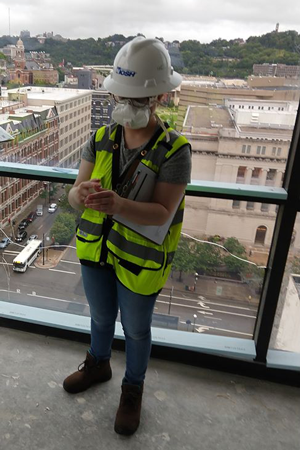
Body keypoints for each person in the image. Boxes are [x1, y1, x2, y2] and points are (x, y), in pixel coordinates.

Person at [63, 36, 192, 436]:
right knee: (101, 317)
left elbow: (162, 213)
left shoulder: (174, 151)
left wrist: (117, 205)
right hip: (96, 251)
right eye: (124, 95)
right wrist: (78, 194)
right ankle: (98, 363)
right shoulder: (101, 138)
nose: (130, 105)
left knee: (136, 330)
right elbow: (74, 195)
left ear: (159, 98)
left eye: (140, 98)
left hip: (139, 261)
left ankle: (132, 388)